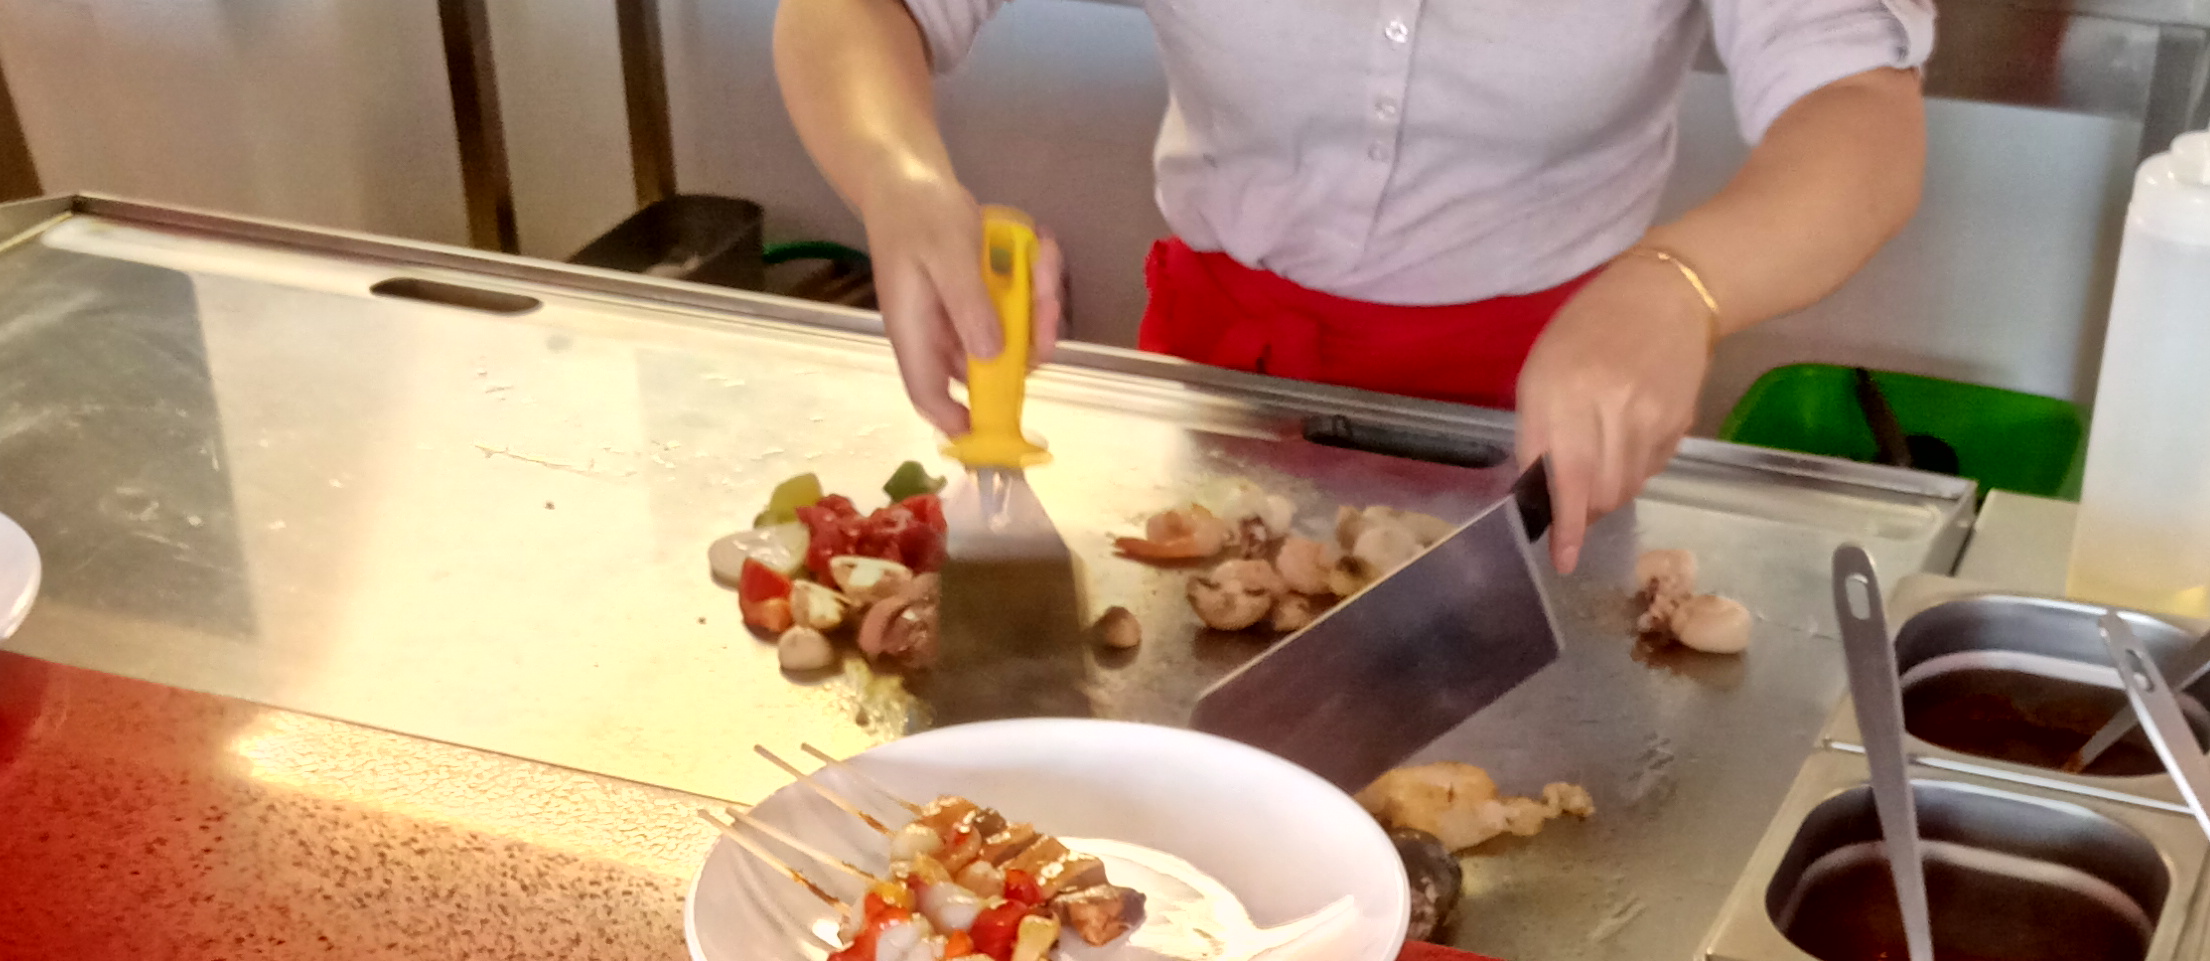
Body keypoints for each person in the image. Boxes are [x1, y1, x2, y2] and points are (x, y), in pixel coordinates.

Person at [774, 0, 1933, 569]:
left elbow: (1859, 112)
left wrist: (1683, 284)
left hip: (1549, 416)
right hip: (1221, 392)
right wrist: (898, 176)